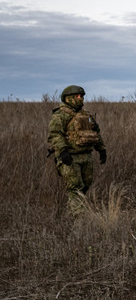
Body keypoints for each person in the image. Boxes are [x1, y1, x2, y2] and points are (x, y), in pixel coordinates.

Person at [47, 85, 106, 216]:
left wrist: (101, 149)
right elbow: (55, 135)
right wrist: (63, 151)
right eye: (78, 96)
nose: (81, 98)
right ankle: (79, 219)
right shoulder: (60, 115)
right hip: (70, 157)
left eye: (82, 96)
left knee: (85, 186)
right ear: (68, 98)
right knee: (75, 188)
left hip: (86, 156)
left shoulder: (87, 115)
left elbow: (95, 132)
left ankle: (73, 212)